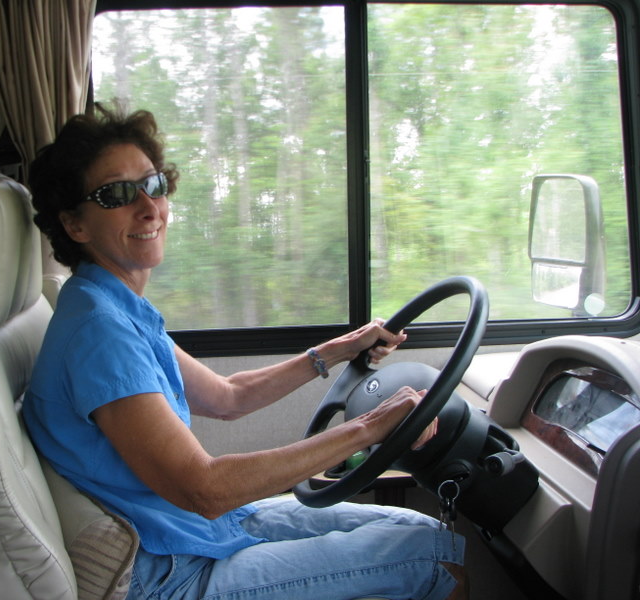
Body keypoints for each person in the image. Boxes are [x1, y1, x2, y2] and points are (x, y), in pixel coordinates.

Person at [24, 104, 467, 600]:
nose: (149, 208)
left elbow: (228, 396)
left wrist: (340, 349)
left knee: (419, 529)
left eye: (153, 185)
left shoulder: (111, 304)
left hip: (194, 530)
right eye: (117, 194)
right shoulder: (99, 331)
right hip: (169, 570)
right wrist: (371, 427)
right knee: (439, 558)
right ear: (75, 225)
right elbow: (205, 488)